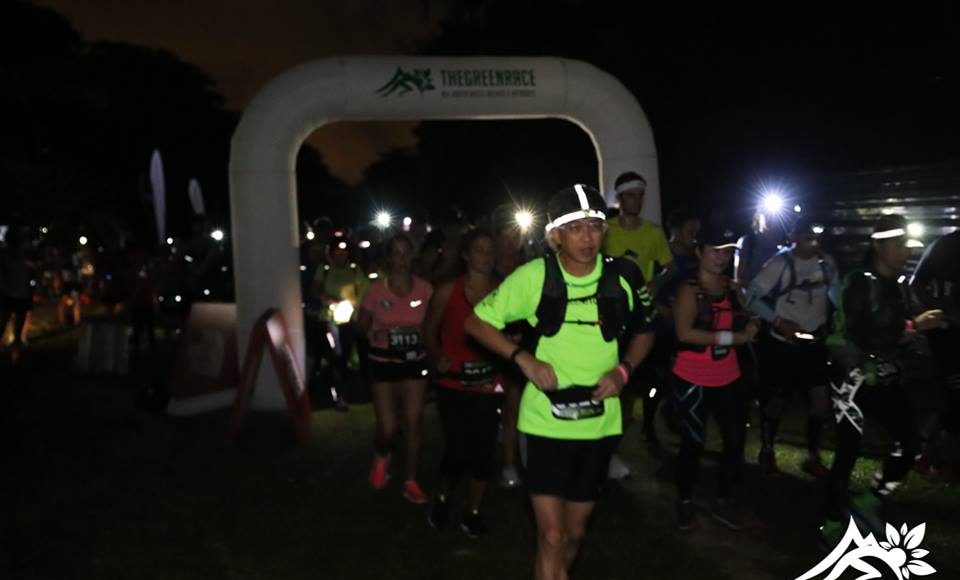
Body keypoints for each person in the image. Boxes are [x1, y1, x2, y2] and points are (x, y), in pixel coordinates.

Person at [466, 184, 655, 580]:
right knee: (551, 536)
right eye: (576, 228)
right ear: (555, 235)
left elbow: (645, 331)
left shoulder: (623, 276)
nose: (588, 237)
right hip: (544, 424)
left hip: (599, 424)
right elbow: (476, 323)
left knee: (573, 534)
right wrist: (523, 359)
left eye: (595, 227)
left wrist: (623, 372)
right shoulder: (535, 276)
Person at [820, 215, 943, 545]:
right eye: (900, 245)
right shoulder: (858, 281)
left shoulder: (900, 284)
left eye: (908, 246)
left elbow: (897, 334)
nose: (906, 252)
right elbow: (861, 334)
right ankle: (832, 523)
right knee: (848, 449)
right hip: (852, 379)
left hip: (885, 376)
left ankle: (869, 501)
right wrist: (913, 327)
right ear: (879, 246)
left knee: (911, 443)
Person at [671, 223, 759, 531]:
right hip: (692, 378)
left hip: (728, 376)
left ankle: (724, 499)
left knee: (735, 441)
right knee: (693, 443)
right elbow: (684, 333)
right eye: (715, 251)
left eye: (727, 252)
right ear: (699, 252)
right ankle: (684, 501)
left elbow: (747, 316)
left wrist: (752, 324)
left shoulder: (731, 288)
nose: (721, 257)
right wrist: (733, 338)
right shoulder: (689, 289)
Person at [423, 229, 503, 538]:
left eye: (490, 250)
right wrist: (436, 355)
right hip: (453, 383)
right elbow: (428, 329)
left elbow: (512, 332)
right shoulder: (448, 290)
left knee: (483, 451)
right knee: (457, 449)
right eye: (479, 250)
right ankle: (442, 497)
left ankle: (473, 512)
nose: (486, 256)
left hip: (489, 381)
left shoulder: (502, 291)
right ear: (467, 255)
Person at [745, 216, 839, 477]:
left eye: (818, 237)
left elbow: (835, 293)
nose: (815, 242)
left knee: (821, 401)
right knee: (777, 400)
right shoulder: (780, 263)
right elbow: (751, 296)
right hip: (783, 345)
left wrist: (843, 315)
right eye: (808, 237)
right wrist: (778, 321)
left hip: (814, 344)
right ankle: (767, 449)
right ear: (794, 237)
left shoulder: (827, 263)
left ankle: (813, 455)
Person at [601, 171, 673, 478]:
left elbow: (669, 266)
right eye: (630, 195)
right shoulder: (606, 229)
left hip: (637, 317)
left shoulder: (653, 233)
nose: (636, 200)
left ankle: (612, 453)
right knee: (604, 382)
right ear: (619, 198)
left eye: (640, 195)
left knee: (629, 388)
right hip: (606, 315)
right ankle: (598, 449)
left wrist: (657, 282)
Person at [358, 233, 433, 504]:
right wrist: (375, 333)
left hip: (414, 361)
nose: (402, 259)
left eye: (406, 252)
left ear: (412, 256)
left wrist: (424, 334)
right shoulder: (376, 290)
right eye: (397, 253)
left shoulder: (425, 289)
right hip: (383, 362)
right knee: (388, 427)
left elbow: (433, 323)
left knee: (413, 421)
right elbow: (361, 325)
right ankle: (382, 455)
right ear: (388, 258)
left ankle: (411, 481)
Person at [642, 208, 702, 447]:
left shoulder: (696, 259)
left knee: (680, 378)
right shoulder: (661, 257)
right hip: (661, 329)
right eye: (691, 231)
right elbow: (646, 289)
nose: (695, 237)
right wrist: (661, 308)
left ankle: (674, 416)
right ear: (675, 231)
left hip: (685, 331)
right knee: (656, 380)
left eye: (697, 232)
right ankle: (648, 425)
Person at [911, 229, 960, 478]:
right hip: (947, 334)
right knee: (954, 396)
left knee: (951, 399)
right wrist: (943, 311)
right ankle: (934, 458)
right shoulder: (945, 246)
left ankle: (928, 455)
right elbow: (917, 283)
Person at [312, 235, 366, 411]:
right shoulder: (324, 269)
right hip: (330, 320)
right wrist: (330, 299)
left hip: (349, 320)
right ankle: (337, 395)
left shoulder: (354, 270)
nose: (340, 257)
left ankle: (346, 392)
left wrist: (355, 305)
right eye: (337, 254)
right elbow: (316, 290)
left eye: (343, 254)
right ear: (331, 254)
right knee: (336, 356)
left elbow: (364, 291)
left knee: (346, 357)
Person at [0, 228, 39, 364]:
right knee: (5, 322)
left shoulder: (24, 254)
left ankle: (16, 356)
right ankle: (15, 355)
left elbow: (33, 271)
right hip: (11, 293)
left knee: (14, 325)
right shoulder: (7, 254)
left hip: (20, 293)